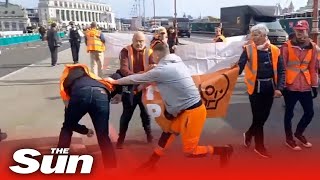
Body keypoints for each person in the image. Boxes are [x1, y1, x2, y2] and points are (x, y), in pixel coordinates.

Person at [105, 43, 233, 170]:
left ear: (157, 55)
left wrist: (115, 81)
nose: (151, 57)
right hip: (183, 111)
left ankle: (223, 150)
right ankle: (151, 163)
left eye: (152, 54)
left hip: (192, 112)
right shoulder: (176, 61)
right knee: (167, 134)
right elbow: (150, 80)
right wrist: (137, 90)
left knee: (190, 151)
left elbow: (138, 78)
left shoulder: (163, 70)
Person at [58, 64, 119, 169]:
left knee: (67, 127)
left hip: (80, 93)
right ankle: (111, 169)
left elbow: (70, 121)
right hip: (101, 94)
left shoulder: (66, 82)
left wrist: (84, 130)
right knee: (103, 135)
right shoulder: (93, 78)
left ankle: (59, 161)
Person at [239, 24, 285, 158]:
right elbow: (240, 66)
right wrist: (228, 75)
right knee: (258, 117)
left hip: (270, 88)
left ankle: (248, 134)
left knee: (262, 118)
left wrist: (279, 88)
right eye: (252, 34)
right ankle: (259, 147)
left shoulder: (275, 50)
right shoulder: (248, 49)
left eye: (256, 34)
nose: (253, 37)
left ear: (264, 36)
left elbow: (281, 70)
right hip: (254, 89)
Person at [281, 20, 318, 150]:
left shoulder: (312, 47)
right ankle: (289, 139)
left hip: (306, 85)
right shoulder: (287, 46)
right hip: (290, 85)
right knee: (289, 113)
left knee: (309, 112)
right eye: (297, 30)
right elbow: (282, 68)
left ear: (307, 31)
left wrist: (314, 85)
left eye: (302, 30)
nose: (299, 33)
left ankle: (299, 133)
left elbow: (313, 68)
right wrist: (282, 85)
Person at [115, 31, 155, 149]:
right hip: (131, 87)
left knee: (146, 114)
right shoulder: (126, 51)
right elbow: (123, 69)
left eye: (141, 41)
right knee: (127, 114)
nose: (139, 43)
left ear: (144, 41)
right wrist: (139, 78)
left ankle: (149, 136)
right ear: (132, 41)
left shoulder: (150, 52)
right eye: (137, 41)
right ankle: (120, 139)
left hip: (145, 87)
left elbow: (154, 68)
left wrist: (143, 80)